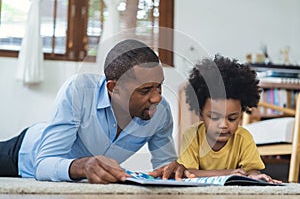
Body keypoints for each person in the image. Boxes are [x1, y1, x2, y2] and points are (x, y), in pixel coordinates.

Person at [0, 39, 184, 184]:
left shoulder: (161, 112)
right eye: (145, 90)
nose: (157, 98)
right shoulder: (80, 90)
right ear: (114, 88)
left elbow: (165, 166)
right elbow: (43, 164)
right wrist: (83, 165)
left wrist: (172, 170)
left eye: (159, 86)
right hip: (21, 154)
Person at [177, 55, 281, 184]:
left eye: (232, 118)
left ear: (241, 115)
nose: (224, 125)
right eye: (215, 117)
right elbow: (189, 173)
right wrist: (228, 173)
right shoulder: (192, 136)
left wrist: (254, 176)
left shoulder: (243, 138)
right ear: (200, 114)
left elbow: (251, 171)